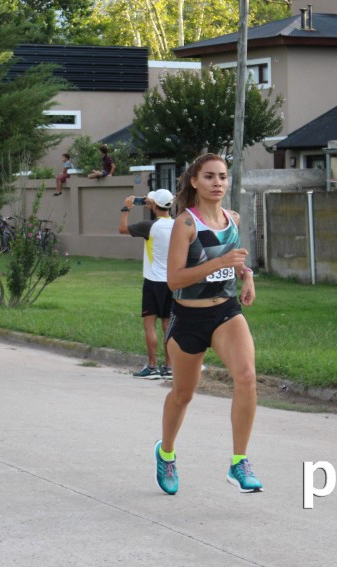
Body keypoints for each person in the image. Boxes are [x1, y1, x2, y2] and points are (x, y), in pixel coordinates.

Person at [153, 153, 260, 495]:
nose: (218, 183)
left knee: (246, 376)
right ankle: (166, 452)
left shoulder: (232, 218)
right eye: (210, 177)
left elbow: (233, 257)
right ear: (194, 182)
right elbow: (173, 280)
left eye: (223, 177)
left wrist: (247, 275)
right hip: (189, 317)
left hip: (225, 312)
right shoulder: (185, 224)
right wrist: (220, 264)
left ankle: (238, 461)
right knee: (183, 395)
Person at [119, 189, 175, 378]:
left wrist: (126, 208)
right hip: (172, 282)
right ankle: (169, 367)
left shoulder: (149, 226)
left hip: (153, 282)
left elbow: (123, 229)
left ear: (152, 205)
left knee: (150, 325)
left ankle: (151, 367)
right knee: (168, 325)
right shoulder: (178, 225)